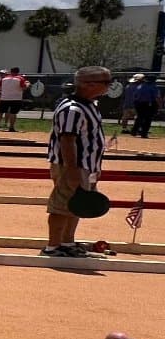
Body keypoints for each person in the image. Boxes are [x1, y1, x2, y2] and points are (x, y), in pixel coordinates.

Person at [45, 67, 113, 257]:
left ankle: (67, 243)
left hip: (86, 165)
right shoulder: (72, 109)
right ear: (88, 85)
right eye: (106, 82)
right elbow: (67, 140)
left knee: (77, 204)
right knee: (62, 205)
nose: (109, 86)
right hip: (72, 165)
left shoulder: (90, 105)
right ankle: (53, 247)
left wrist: (95, 168)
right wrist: (72, 169)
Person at [0, 66, 28, 131]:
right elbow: (24, 88)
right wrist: (28, 84)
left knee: (0, 112)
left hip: (4, 98)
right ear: (18, 72)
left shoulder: (4, 78)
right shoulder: (20, 78)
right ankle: (11, 127)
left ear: (11, 71)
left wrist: (0, 92)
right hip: (16, 98)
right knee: (13, 113)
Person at [125, 74, 157, 138]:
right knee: (148, 119)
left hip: (138, 103)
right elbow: (157, 97)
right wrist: (158, 105)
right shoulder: (153, 86)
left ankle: (134, 131)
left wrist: (135, 102)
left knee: (140, 117)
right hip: (148, 103)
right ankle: (144, 133)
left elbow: (135, 95)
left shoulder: (139, 86)